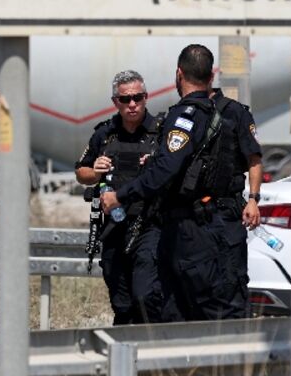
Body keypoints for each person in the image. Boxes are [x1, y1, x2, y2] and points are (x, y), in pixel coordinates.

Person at [100, 44, 251, 321]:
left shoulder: (183, 117)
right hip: (216, 227)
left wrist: (121, 196)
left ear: (179, 74)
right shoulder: (230, 114)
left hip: (195, 232)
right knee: (215, 313)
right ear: (211, 75)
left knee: (188, 312)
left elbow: (165, 172)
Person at [75, 70, 167, 324]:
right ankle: (123, 357)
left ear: (146, 97)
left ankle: (151, 352)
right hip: (114, 228)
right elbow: (80, 172)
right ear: (116, 102)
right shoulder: (105, 134)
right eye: (125, 99)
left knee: (145, 295)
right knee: (121, 302)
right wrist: (95, 171)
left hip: (149, 226)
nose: (132, 104)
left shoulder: (160, 133)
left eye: (138, 97)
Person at [209, 84, 263, 317]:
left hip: (227, 210)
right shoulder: (182, 112)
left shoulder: (236, 112)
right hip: (190, 216)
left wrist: (252, 199)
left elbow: (254, 159)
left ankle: (237, 341)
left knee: (232, 281)